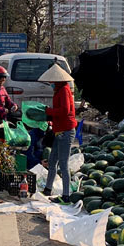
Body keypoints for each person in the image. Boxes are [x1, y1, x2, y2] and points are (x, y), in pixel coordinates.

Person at [39, 64, 77, 203]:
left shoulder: (64, 90)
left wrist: (49, 111)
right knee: (52, 161)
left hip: (66, 131)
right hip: (59, 130)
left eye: (53, 82)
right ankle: (48, 189)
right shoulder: (59, 90)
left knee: (63, 164)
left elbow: (65, 111)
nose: (51, 84)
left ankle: (66, 196)